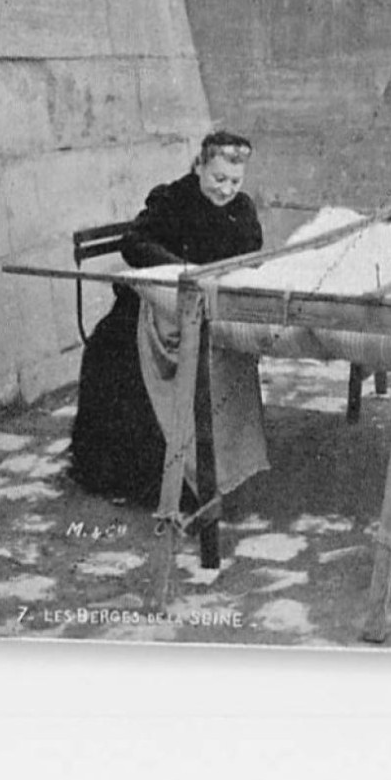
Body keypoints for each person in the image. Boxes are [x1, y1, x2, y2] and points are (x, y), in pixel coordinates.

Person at [69, 131, 263, 505]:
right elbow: (135, 243)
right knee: (111, 354)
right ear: (198, 167)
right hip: (155, 304)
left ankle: (212, 465)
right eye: (217, 179)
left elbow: (251, 251)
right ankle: (133, 477)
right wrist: (183, 270)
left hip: (203, 307)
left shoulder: (243, 208)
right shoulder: (174, 198)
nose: (225, 190)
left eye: (234, 182)